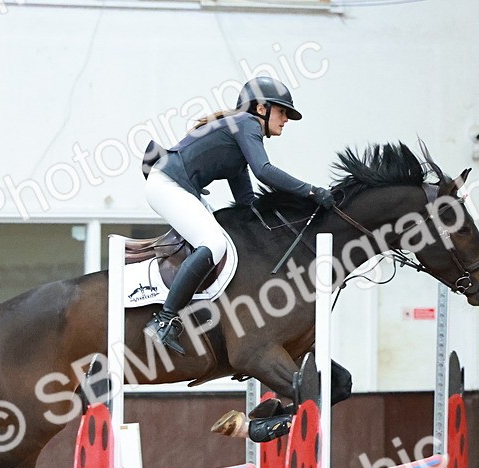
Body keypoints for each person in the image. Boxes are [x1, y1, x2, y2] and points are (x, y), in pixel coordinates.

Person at [141, 76, 335, 354]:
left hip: (173, 186)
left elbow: (247, 203)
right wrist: (311, 192)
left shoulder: (239, 141)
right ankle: (164, 320)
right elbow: (264, 171)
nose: (286, 120)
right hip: (166, 185)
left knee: (225, 239)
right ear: (261, 109)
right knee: (215, 244)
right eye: (282, 112)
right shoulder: (247, 124)